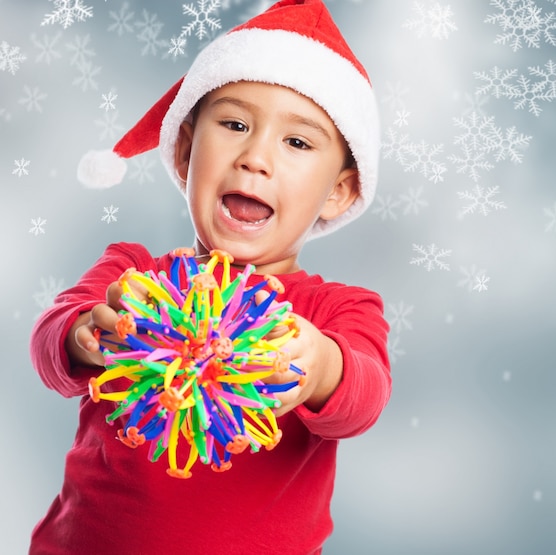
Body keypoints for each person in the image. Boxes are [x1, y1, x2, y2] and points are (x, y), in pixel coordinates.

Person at [29, 1, 391, 553]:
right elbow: (50, 343)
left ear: (339, 191)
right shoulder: (132, 274)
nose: (255, 158)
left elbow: (364, 398)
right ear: (183, 150)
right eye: (235, 124)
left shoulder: (339, 312)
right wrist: (86, 333)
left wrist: (321, 367)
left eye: (297, 142)